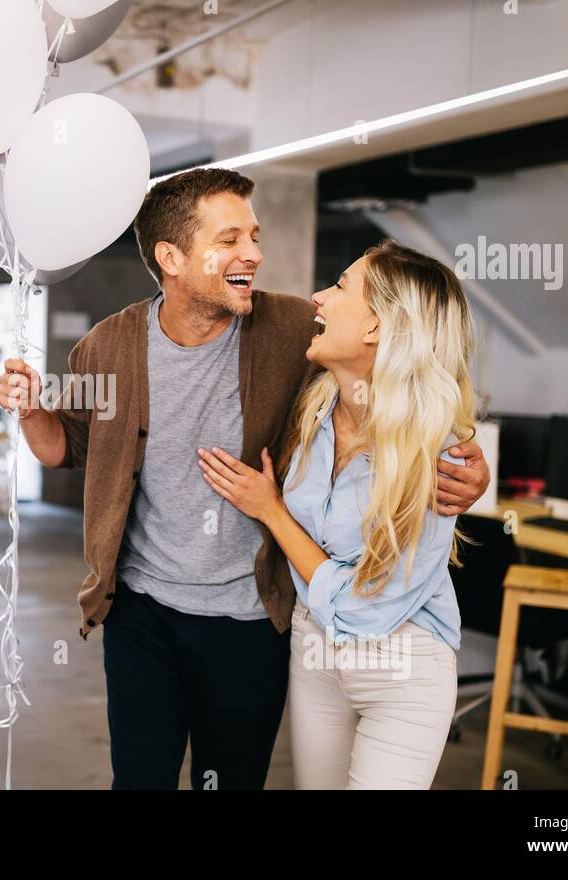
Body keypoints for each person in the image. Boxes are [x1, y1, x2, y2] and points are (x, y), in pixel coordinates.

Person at [0, 169, 490, 789]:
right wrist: (33, 411)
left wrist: (466, 460)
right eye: (229, 240)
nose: (253, 254)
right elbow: (65, 446)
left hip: (252, 620)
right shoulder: (109, 346)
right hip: (143, 613)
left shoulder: (287, 330)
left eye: (253, 237)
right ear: (171, 257)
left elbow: (408, 357)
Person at [198, 240, 472, 789]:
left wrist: (272, 513)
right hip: (314, 649)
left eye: (341, 286)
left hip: (402, 666)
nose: (318, 297)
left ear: (376, 328)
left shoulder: (435, 452)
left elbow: (363, 609)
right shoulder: (313, 408)